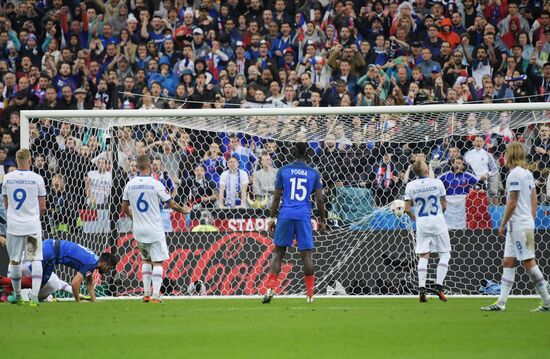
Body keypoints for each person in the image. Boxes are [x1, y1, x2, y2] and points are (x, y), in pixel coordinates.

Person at [481, 143, 550, 312]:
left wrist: (503, 223)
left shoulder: (514, 175)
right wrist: (531, 218)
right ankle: (501, 303)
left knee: (528, 262)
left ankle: (547, 300)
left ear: (509, 155)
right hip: (521, 223)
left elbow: (512, 202)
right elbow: (534, 198)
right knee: (508, 262)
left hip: (518, 224)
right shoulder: (527, 173)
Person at [263, 143, 326, 304]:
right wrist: (323, 220)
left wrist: (271, 218)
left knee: (279, 253)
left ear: (292, 153)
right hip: (303, 216)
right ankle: (310, 294)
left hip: (285, 214)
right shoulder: (313, 173)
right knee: (306, 255)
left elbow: (276, 197)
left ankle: (270, 289)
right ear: (308, 154)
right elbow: (320, 199)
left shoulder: (284, 170)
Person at [122, 155, 190, 303]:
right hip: (154, 229)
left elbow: (124, 208)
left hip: (138, 229)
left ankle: (146, 294)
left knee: (146, 260)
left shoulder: (130, 184)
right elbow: (171, 204)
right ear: (149, 166)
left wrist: (135, 217)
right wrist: (184, 210)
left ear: (138, 167)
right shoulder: (155, 183)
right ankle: (155, 296)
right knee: (157, 262)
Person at [5, 238, 118, 303]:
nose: (108, 270)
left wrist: (94, 300)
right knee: (36, 281)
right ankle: (6, 284)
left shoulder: (93, 261)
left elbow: (89, 281)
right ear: (104, 263)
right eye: (109, 267)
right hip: (50, 253)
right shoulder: (91, 264)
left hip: (50, 246)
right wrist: (78, 301)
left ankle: (11, 288)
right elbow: (75, 283)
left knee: (39, 281)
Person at [2, 149, 46, 306]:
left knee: (14, 260)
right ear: (30, 161)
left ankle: (18, 296)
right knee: (35, 259)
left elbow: (6, 204)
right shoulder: (37, 179)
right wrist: (32, 217)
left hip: (14, 226)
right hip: (32, 226)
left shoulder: (7, 178)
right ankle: (34, 297)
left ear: (15, 160)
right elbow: (42, 207)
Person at [404, 159, 450, 303]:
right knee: (445, 254)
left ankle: (422, 288)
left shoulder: (410, 186)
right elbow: (444, 205)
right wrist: (438, 215)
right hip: (437, 222)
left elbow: (406, 209)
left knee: (423, 255)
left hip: (422, 224)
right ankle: (439, 286)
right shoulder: (437, 182)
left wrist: (416, 219)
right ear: (426, 171)